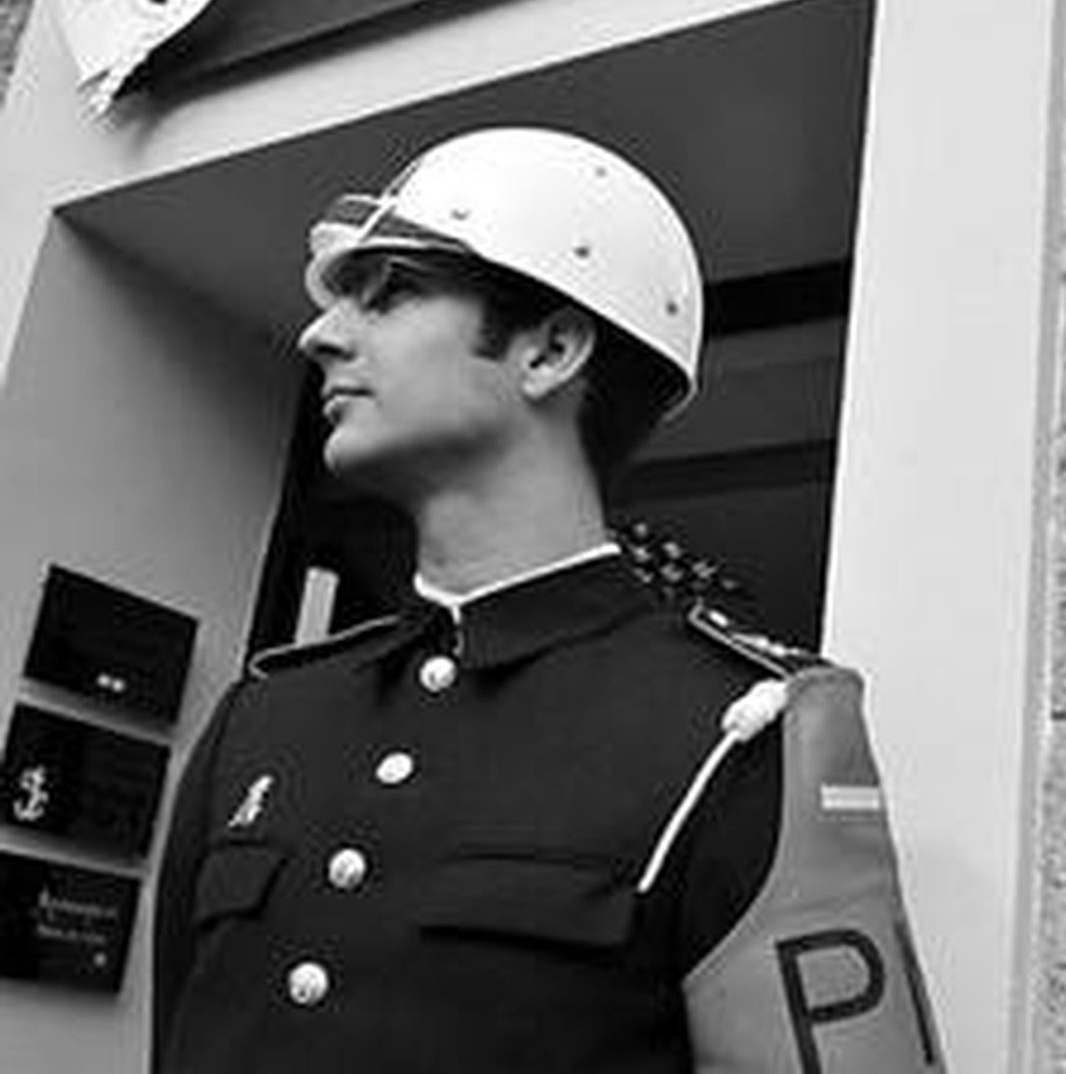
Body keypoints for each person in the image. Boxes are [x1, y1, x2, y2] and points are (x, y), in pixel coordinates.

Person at [151, 127, 943, 1073]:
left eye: (393, 291)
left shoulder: (740, 733)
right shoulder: (263, 716)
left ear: (550, 350)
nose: (319, 332)